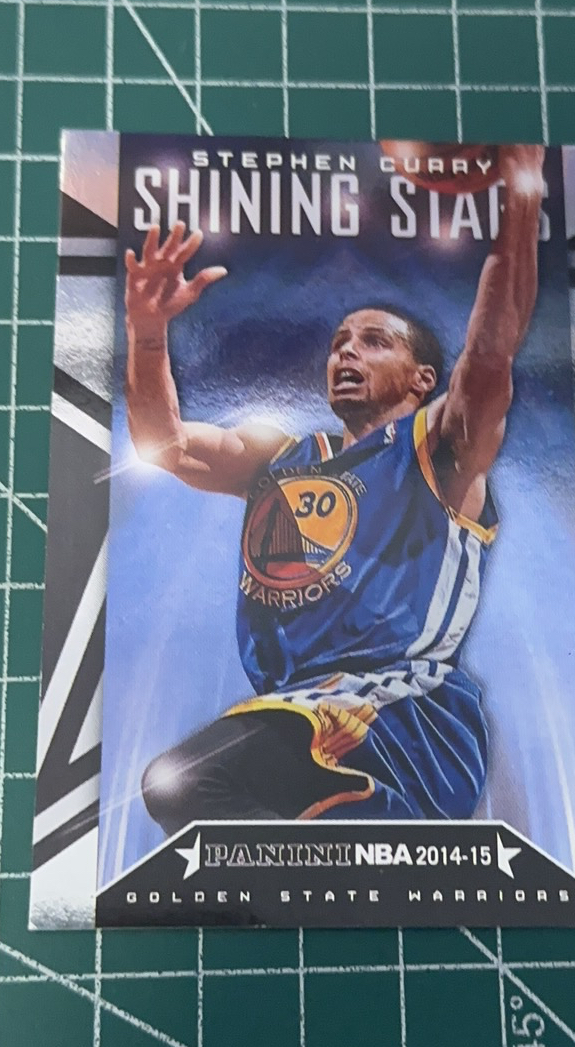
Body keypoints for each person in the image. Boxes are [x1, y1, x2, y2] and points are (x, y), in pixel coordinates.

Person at [124, 145, 546, 831]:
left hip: (405, 715)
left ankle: (366, 845)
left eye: (374, 341)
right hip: (303, 710)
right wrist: (147, 334)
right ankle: (366, 857)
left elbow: (493, 350)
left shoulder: (439, 447)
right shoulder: (281, 456)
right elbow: (161, 442)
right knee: (185, 793)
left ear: (422, 379)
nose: (346, 351)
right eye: (340, 342)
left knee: (191, 781)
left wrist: (522, 196)